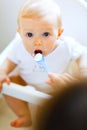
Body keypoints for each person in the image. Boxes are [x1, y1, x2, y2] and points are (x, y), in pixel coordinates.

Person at [0, 0, 87, 128]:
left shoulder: (66, 45)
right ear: (20, 32)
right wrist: (3, 72)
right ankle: (24, 114)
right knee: (9, 85)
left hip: (56, 86)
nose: (37, 42)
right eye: (29, 34)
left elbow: (82, 53)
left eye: (46, 34)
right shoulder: (18, 45)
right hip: (26, 79)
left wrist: (84, 70)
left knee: (60, 105)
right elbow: (10, 60)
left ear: (58, 33)